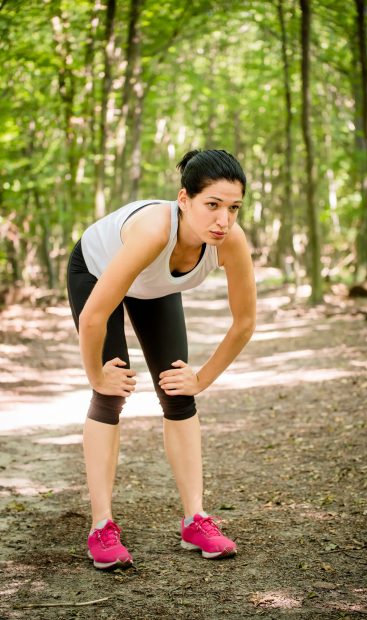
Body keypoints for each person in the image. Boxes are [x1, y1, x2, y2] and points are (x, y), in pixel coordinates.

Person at [66, 149, 256, 570]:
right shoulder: (155, 230)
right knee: (110, 395)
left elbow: (244, 322)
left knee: (178, 391)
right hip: (96, 273)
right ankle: (101, 527)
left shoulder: (230, 241)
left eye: (233, 207)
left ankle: (196, 519)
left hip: (154, 285)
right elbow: (94, 315)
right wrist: (96, 375)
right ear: (183, 200)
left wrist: (201, 378)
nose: (223, 220)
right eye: (212, 205)